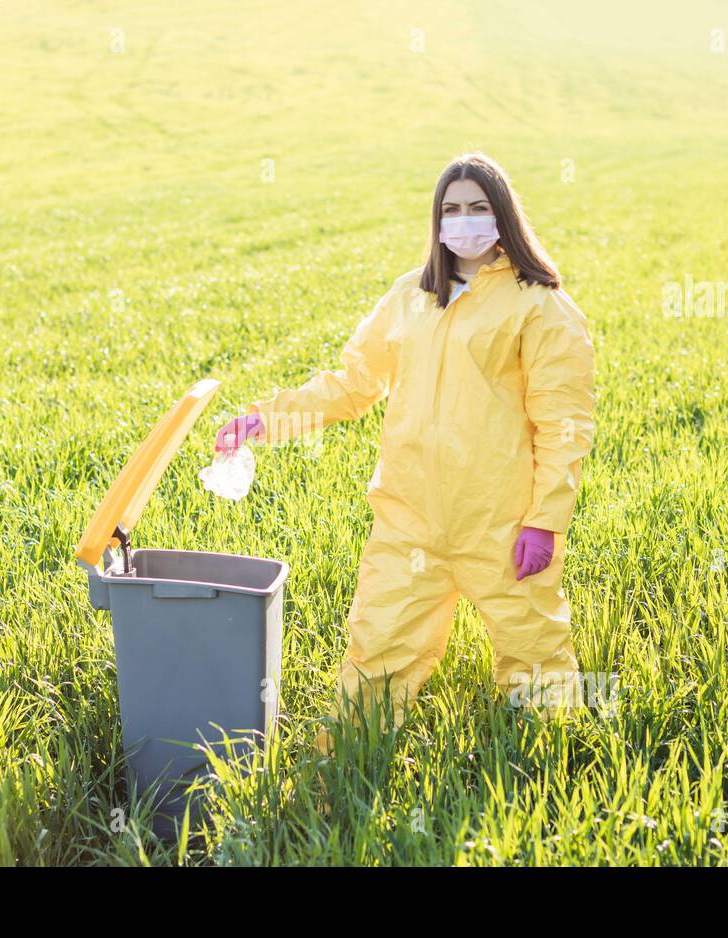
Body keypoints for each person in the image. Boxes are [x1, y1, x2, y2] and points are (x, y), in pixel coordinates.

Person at [215, 152, 596, 753]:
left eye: (478, 208)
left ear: (503, 216)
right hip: (409, 520)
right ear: (437, 220)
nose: (464, 220)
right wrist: (264, 421)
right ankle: (343, 767)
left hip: (501, 523)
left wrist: (544, 521)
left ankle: (550, 764)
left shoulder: (539, 305)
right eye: (452, 209)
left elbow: (563, 424)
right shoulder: (412, 296)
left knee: (535, 651)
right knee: (377, 649)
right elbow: (352, 384)